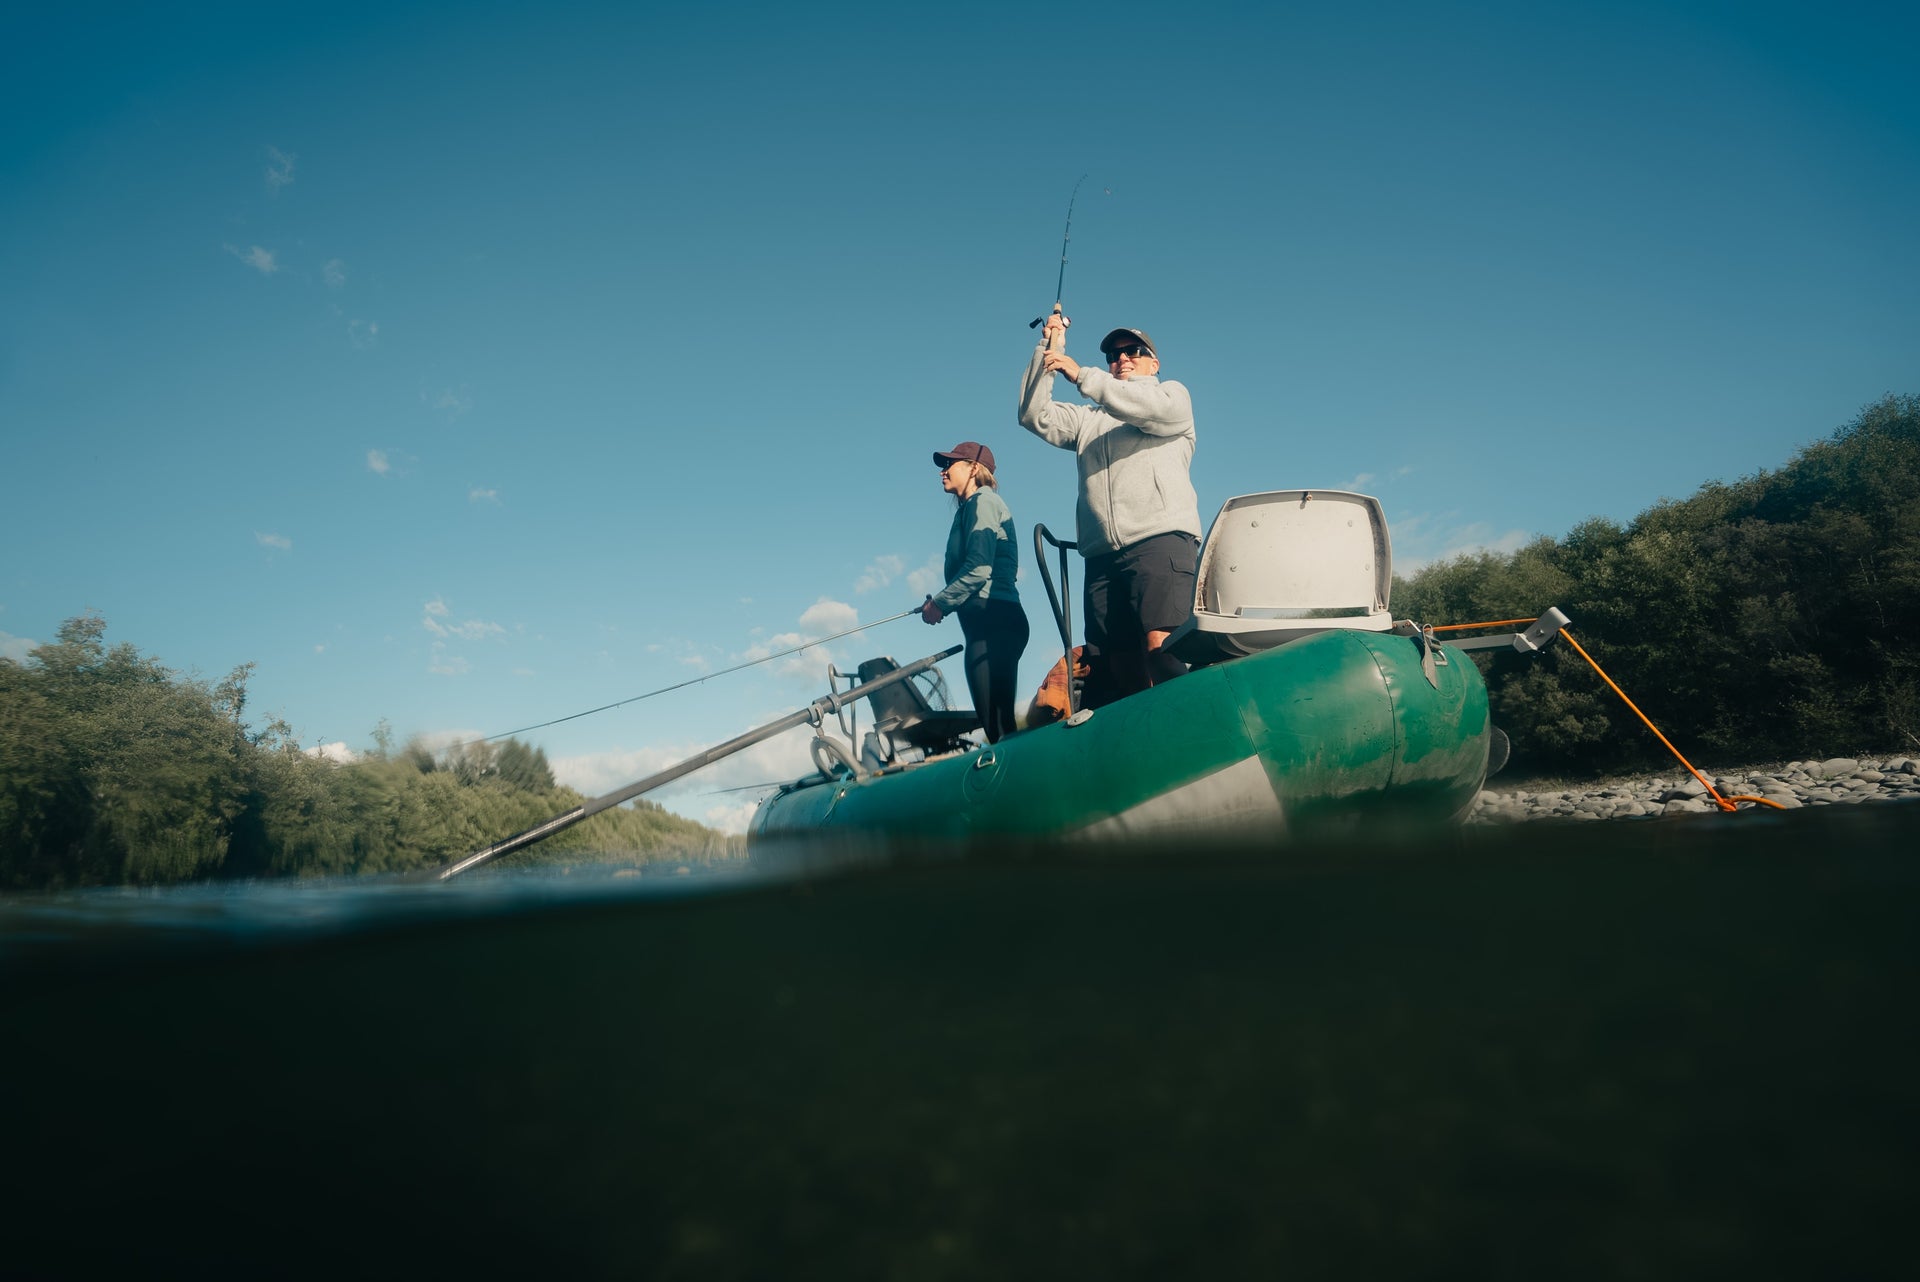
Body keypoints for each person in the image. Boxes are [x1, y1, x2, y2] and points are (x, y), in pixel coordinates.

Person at [1017, 316, 1199, 708]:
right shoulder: (1089, 420)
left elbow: (1145, 407)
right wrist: (1050, 348)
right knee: (1118, 668)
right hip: (1101, 557)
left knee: (1161, 648)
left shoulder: (1172, 397)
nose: (1122, 359)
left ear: (1154, 362)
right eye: (1114, 354)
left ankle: (1194, 727)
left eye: (1134, 351)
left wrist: (1084, 374)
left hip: (1160, 541)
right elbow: (1034, 415)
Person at [919, 441, 1030, 743]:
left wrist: (940, 604)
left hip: (995, 624)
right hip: (983, 627)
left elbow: (979, 568)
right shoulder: (968, 509)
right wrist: (942, 602)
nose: (942, 471)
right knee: (996, 729)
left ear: (973, 468)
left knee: (1000, 728)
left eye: (950, 464)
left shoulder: (984, 502)